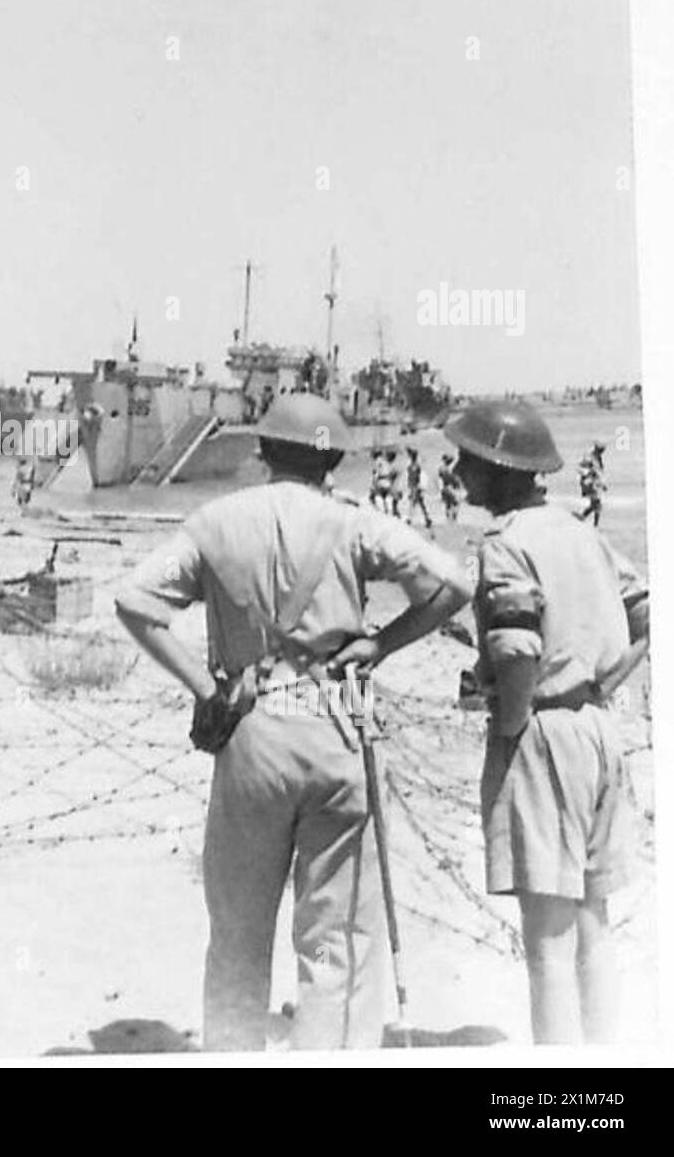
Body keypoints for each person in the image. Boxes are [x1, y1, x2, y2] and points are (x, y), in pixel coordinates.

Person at [114, 393, 471, 1051]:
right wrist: (382, 643)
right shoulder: (355, 522)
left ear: (261, 450)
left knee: (238, 933)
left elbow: (134, 599)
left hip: (254, 729)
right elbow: (451, 583)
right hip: (338, 726)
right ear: (332, 457)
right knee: (336, 938)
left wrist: (205, 687)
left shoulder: (215, 521)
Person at [446, 402, 646, 1045]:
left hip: (542, 738)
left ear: (499, 469)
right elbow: (646, 618)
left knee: (548, 943)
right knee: (594, 924)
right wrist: (600, 685)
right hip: (596, 728)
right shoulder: (581, 534)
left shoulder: (507, 545)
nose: (458, 472)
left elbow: (517, 652)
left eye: (469, 460)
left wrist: (509, 722)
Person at [576, 442, 606, 528]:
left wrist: (602, 484)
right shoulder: (589, 457)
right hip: (589, 483)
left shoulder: (598, 458)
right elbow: (579, 468)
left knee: (596, 504)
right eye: (600, 450)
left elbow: (599, 472)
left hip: (595, 483)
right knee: (597, 503)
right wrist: (589, 473)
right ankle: (594, 524)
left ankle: (585, 518)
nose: (601, 452)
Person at [405, 446, 434, 534]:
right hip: (415, 487)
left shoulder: (413, 466)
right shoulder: (414, 465)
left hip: (415, 487)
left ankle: (410, 519)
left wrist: (412, 486)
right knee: (420, 504)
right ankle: (426, 519)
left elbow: (413, 477)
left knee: (414, 503)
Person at [438, 452, 463, 522]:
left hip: (444, 488)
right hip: (451, 488)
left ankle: (448, 518)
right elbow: (456, 480)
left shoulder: (441, 468)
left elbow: (440, 479)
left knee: (447, 504)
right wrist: (458, 486)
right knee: (455, 503)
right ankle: (454, 517)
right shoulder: (451, 470)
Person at [381, 448, 403, 517]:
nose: (387, 457)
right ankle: (392, 511)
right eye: (387, 455)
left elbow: (393, 475)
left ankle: (394, 511)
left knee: (393, 499)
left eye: (388, 456)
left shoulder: (394, 465)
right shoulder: (388, 465)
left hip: (394, 486)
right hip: (391, 485)